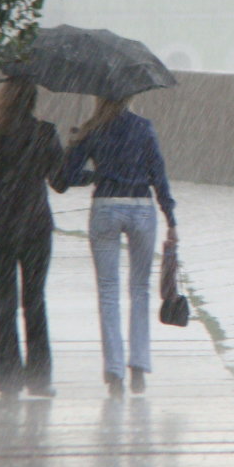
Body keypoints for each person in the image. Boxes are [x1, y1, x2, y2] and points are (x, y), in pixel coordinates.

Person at [58, 95, 177, 398]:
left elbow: (67, 176)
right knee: (140, 289)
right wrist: (170, 217)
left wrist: (93, 172)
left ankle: (114, 371)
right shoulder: (144, 128)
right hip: (141, 206)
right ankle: (138, 365)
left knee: (108, 290)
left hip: (106, 206)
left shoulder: (92, 129)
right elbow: (158, 175)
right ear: (131, 95)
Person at [0, 77, 65, 399]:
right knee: (34, 301)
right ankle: (39, 378)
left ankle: (7, 378)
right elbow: (60, 182)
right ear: (32, 102)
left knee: (4, 303)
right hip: (35, 228)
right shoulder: (45, 133)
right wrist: (74, 153)